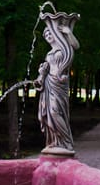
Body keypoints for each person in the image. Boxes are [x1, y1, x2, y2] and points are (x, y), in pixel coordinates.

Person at [34, 22, 79, 155]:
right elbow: (45, 71)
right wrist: (40, 75)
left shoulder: (64, 47)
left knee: (55, 112)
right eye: (45, 34)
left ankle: (66, 142)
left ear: (55, 34)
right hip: (49, 83)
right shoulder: (48, 54)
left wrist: (68, 32)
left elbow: (75, 46)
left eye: (50, 33)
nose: (48, 35)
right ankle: (54, 141)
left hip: (60, 83)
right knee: (47, 115)